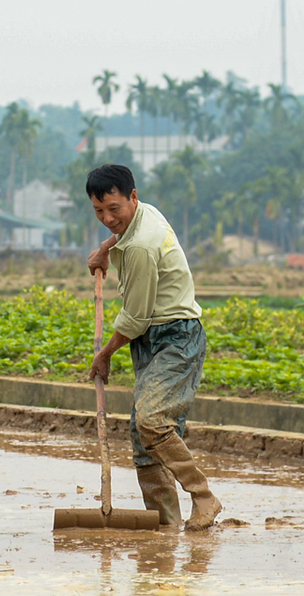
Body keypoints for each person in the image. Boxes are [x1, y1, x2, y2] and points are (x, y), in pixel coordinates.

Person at [84, 163, 223, 531]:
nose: (108, 218)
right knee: (143, 438)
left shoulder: (144, 247)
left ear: (133, 197)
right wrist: (105, 248)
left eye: (114, 209)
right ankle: (167, 527)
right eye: (99, 212)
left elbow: (135, 318)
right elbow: (123, 234)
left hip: (176, 338)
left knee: (151, 421)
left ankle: (204, 496)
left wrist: (105, 353)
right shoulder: (143, 216)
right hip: (150, 341)